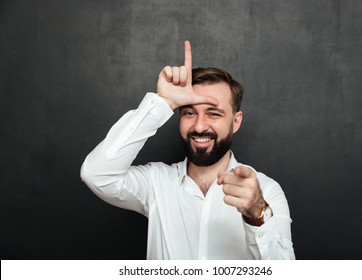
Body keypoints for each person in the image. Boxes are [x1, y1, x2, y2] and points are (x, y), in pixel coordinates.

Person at [80, 41, 295, 260]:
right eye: (189, 113)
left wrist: (257, 214)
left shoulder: (266, 191)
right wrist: (163, 102)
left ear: (236, 121)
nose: (200, 126)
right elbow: (96, 174)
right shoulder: (156, 182)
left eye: (213, 114)